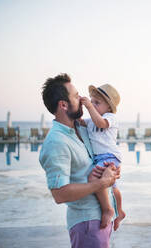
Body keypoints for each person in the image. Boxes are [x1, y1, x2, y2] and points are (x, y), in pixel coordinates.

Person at [39, 73, 120, 248]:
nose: (82, 99)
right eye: (76, 96)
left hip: (102, 220)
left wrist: (111, 170)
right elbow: (59, 194)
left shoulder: (82, 128)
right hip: (87, 224)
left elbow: (100, 156)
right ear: (63, 104)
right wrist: (101, 183)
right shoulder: (56, 142)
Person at [80, 83, 126, 231]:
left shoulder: (110, 117)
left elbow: (101, 123)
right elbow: (80, 122)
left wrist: (89, 107)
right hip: (99, 158)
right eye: (92, 101)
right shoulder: (91, 121)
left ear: (109, 107)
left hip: (110, 156)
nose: (93, 105)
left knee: (93, 179)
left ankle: (108, 209)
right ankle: (120, 212)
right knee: (113, 187)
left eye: (97, 103)